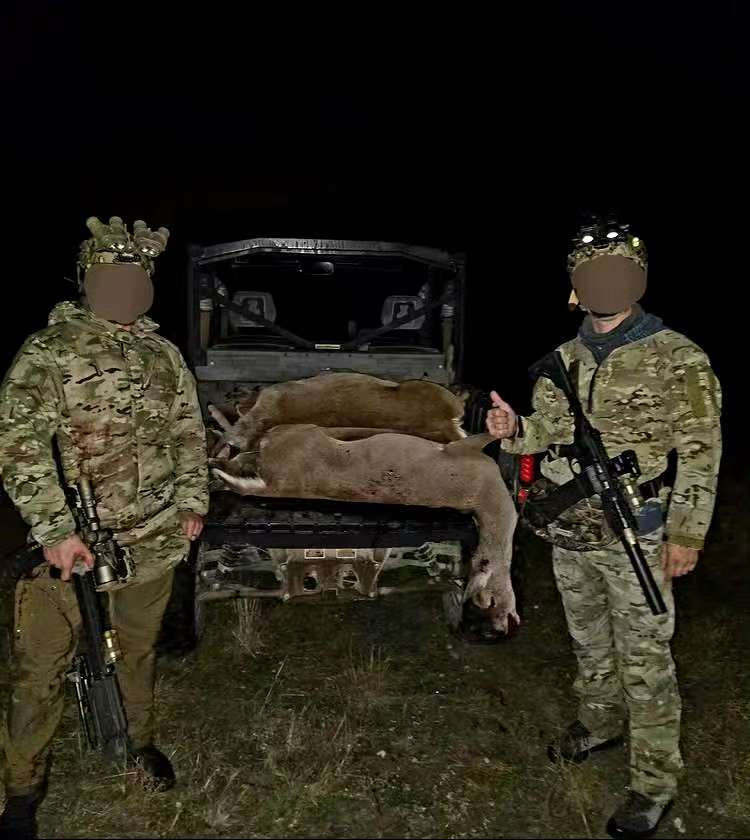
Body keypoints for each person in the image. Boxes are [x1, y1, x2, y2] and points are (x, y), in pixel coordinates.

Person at [486, 219, 722, 840]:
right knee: (588, 639)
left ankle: (653, 783)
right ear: (576, 286)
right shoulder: (564, 359)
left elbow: (701, 452)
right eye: (593, 274)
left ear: (639, 280)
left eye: (618, 273)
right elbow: (550, 431)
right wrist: (515, 430)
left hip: (636, 532)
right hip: (572, 528)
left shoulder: (678, 357)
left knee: (644, 659)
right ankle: (598, 723)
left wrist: (687, 533)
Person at [0, 217, 209, 839]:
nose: (124, 291)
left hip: (152, 541)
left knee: (137, 652)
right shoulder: (49, 352)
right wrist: (54, 530)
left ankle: (137, 743)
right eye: (110, 279)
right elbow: (19, 446)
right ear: (88, 282)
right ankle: (21, 791)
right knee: (41, 672)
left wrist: (191, 502)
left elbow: (188, 432)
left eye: (134, 279)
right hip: (73, 548)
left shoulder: (163, 354)